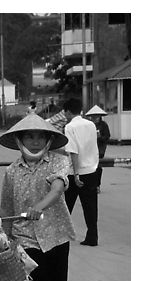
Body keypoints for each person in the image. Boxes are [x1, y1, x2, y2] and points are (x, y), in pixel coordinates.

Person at [0, 113, 75, 281]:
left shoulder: (58, 162)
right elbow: (6, 207)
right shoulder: (11, 171)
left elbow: (57, 190)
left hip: (56, 238)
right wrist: (5, 242)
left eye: (40, 136)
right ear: (19, 140)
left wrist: (37, 208)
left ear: (49, 139)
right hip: (26, 242)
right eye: (29, 136)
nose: (34, 141)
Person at [62, 98, 100, 246]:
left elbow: (73, 152)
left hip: (75, 173)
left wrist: (76, 174)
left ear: (69, 111)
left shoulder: (69, 127)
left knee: (66, 206)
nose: (64, 115)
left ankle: (63, 235)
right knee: (90, 206)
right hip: (92, 169)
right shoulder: (91, 124)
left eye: (65, 112)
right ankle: (92, 236)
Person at [85, 105, 110, 193]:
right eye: (93, 116)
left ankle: (97, 185)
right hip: (90, 149)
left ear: (100, 116)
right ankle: (91, 185)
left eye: (96, 116)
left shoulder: (103, 125)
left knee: (98, 167)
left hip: (100, 149)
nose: (95, 118)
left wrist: (100, 137)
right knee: (90, 167)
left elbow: (107, 137)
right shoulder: (88, 125)